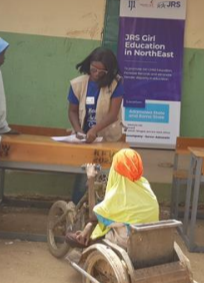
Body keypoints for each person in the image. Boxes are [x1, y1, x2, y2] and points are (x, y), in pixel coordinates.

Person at [67, 149, 159, 248]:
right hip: (149, 237)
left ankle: (86, 243)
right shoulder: (145, 185)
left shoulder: (119, 194)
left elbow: (93, 216)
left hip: (129, 240)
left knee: (97, 231)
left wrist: (91, 179)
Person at [68, 47, 124, 203]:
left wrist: (95, 130)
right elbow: (72, 111)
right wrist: (79, 131)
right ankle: (77, 210)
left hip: (107, 140)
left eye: (102, 72)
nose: (97, 74)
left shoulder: (115, 85)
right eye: (94, 69)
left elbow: (113, 114)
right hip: (84, 141)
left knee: (104, 181)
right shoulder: (77, 85)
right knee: (82, 179)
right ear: (89, 65)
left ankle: (101, 213)